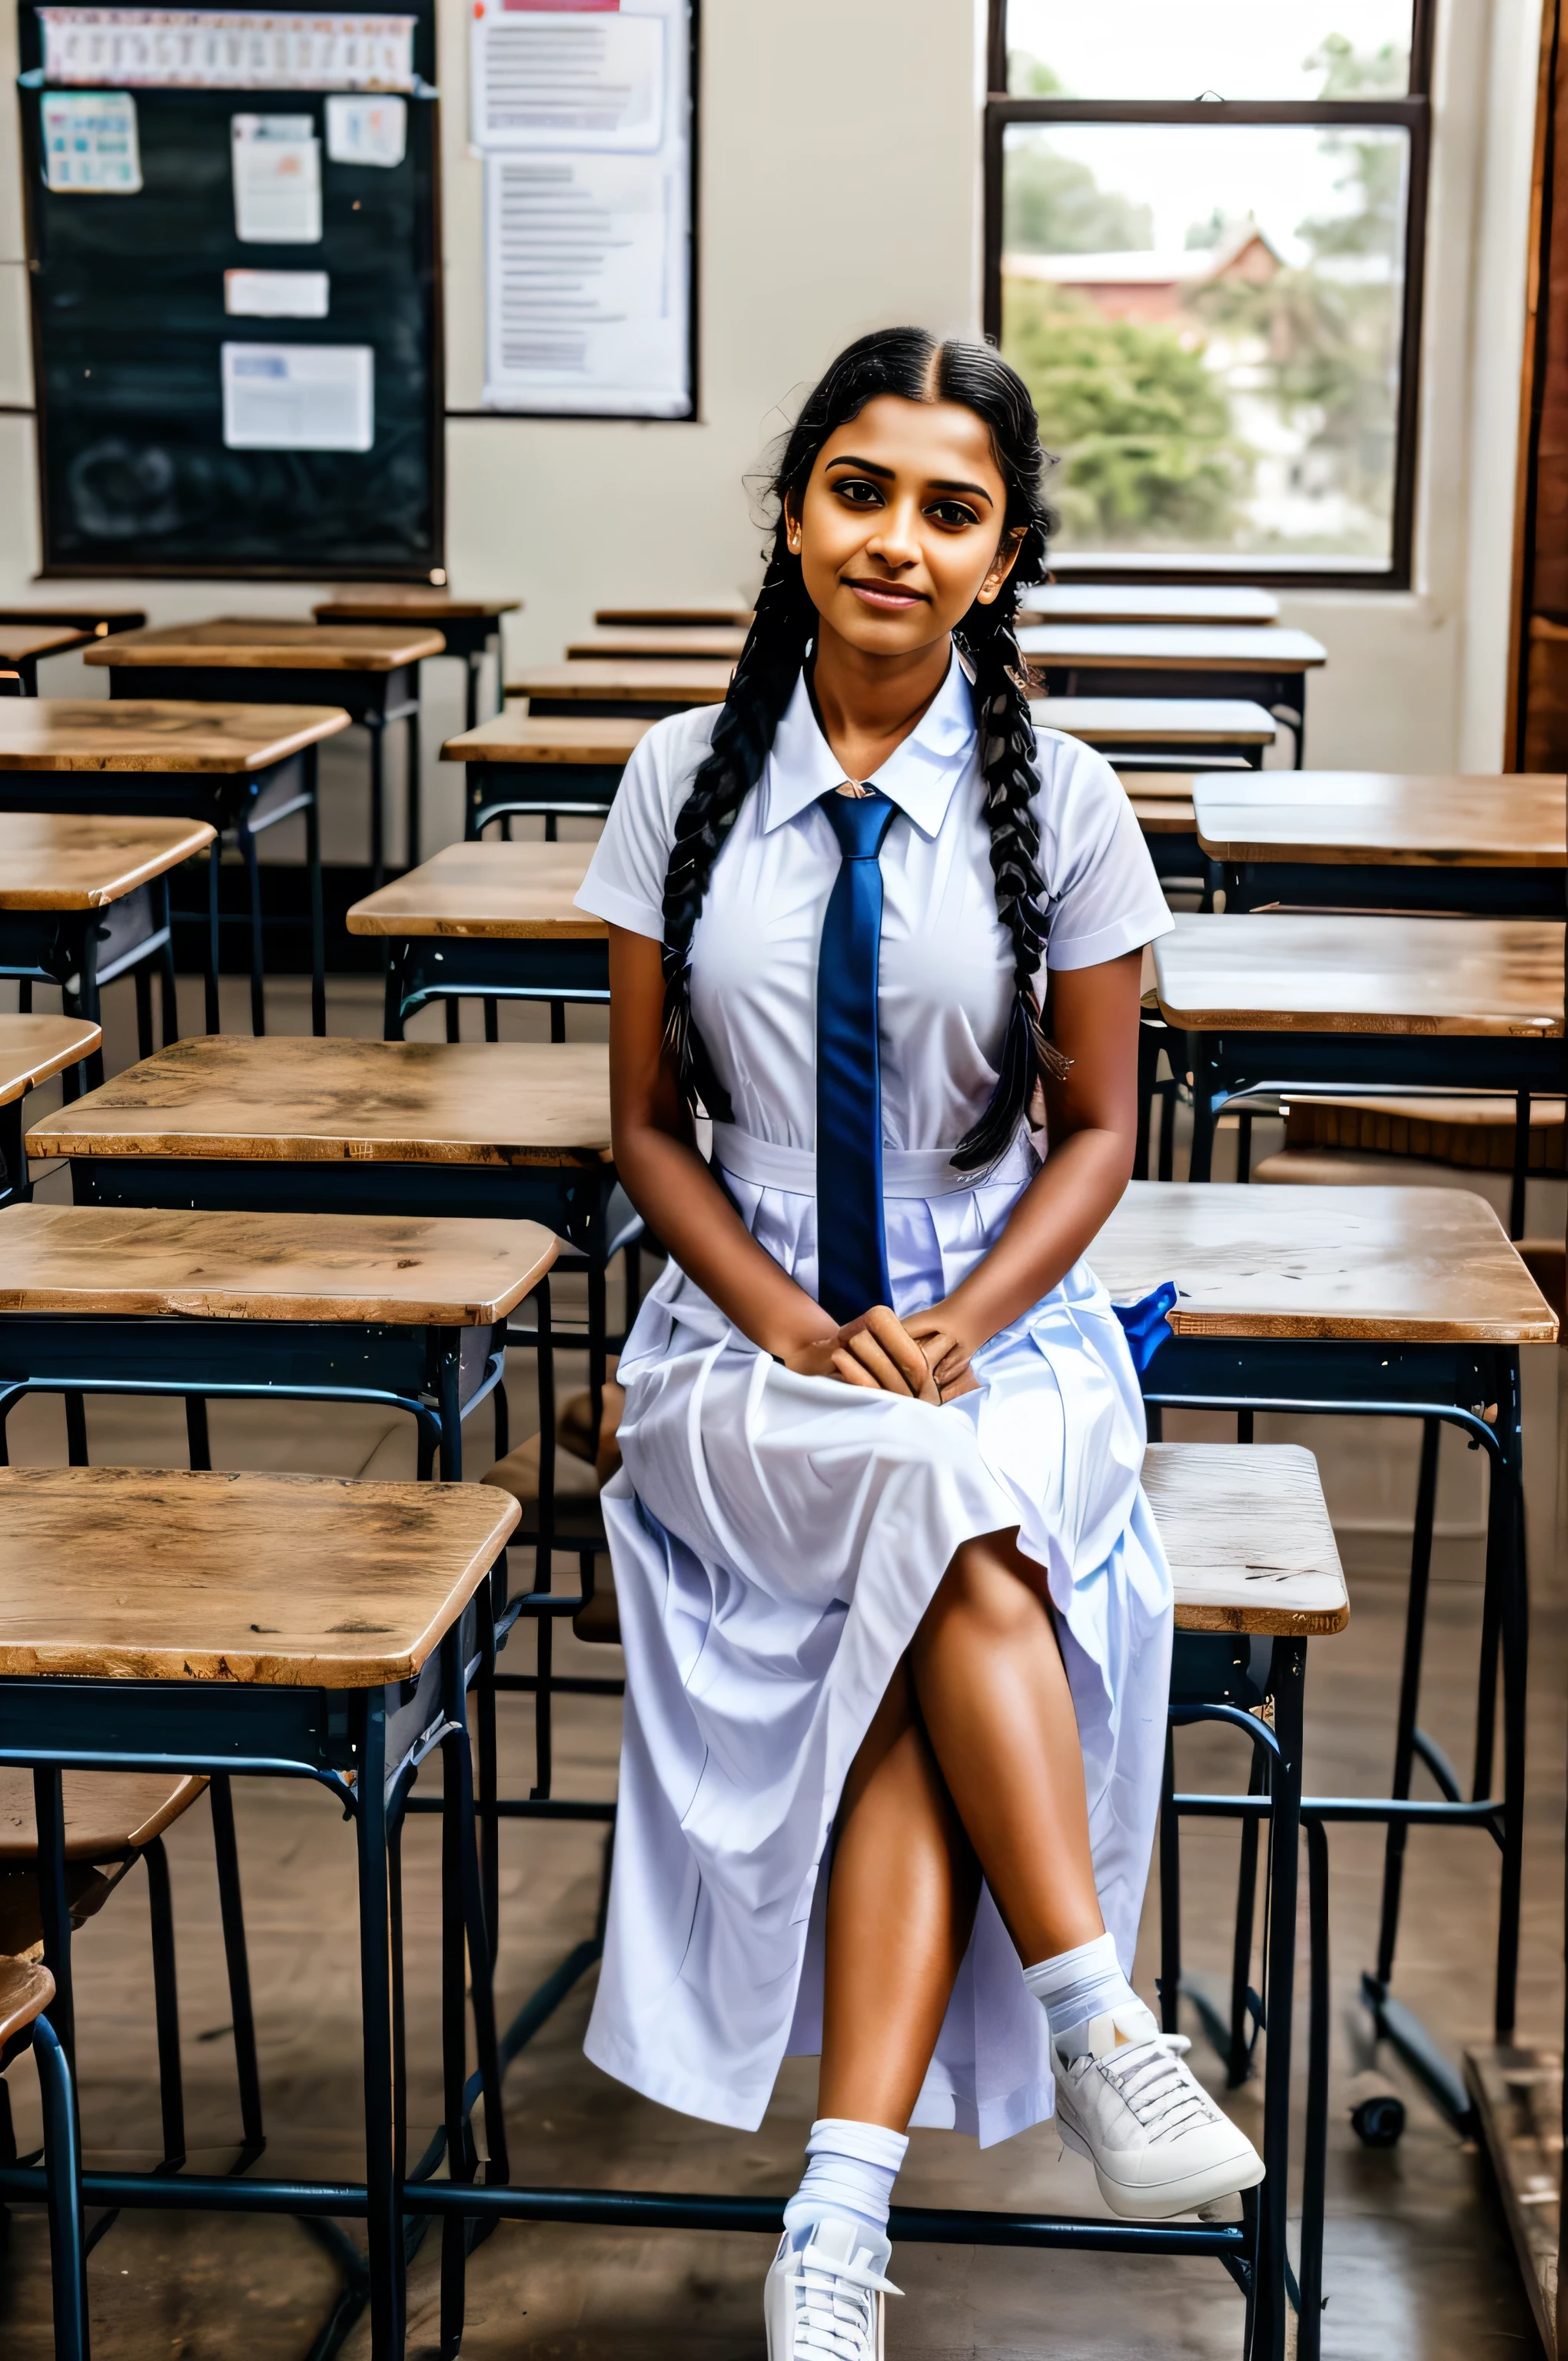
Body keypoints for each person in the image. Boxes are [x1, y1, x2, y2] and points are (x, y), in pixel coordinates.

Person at [573, 327, 1263, 2360]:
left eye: (948, 510)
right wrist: (789, 1315)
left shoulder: (1066, 802)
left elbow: (1105, 1128)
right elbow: (640, 1126)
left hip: (996, 1317)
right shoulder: (675, 785)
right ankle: (1094, 2009)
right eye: (859, 491)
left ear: (1002, 552)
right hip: (745, 1321)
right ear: (796, 516)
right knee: (942, 1523)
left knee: (940, 1517)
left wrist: (963, 1315)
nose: (895, 540)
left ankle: (840, 2210)